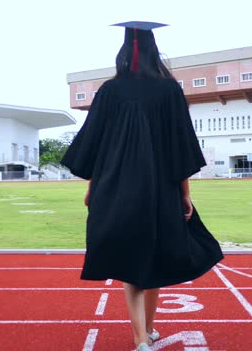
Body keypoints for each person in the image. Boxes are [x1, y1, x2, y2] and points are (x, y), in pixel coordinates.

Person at [61, 21, 224, 351]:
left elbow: (97, 144)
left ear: (124, 50)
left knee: (130, 265)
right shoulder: (169, 90)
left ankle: (142, 338)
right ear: (153, 49)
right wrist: (185, 194)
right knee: (155, 260)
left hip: (115, 188)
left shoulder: (109, 91)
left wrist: (93, 187)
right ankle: (144, 333)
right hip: (160, 190)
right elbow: (182, 146)